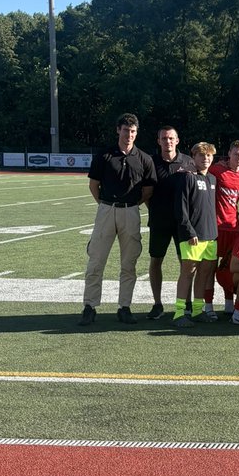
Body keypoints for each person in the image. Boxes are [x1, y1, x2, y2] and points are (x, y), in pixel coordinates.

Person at [79, 112, 156, 326]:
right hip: (106, 209)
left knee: (129, 263)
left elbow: (148, 189)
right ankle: (89, 306)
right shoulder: (104, 155)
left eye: (132, 131)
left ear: (137, 132)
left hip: (131, 211)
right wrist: (105, 205)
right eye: (125, 130)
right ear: (118, 130)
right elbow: (93, 185)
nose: (129, 135)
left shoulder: (144, 158)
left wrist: (131, 206)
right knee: (96, 260)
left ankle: (124, 306)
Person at [146, 124, 194, 320]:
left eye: (171, 138)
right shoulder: (150, 162)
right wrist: (157, 211)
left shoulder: (188, 162)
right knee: (156, 260)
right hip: (159, 221)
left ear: (177, 140)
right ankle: (157, 304)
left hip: (182, 223)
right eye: (164, 138)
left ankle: (186, 301)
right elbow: (147, 193)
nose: (168, 142)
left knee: (186, 263)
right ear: (158, 141)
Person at [172, 142, 219, 328]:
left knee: (204, 274)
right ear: (193, 157)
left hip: (210, 236)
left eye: (208, 156)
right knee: (187, 273)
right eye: (201, 155)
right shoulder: (187, 178)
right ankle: (179, 313)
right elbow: (180, 209)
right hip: (192, 236)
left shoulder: (213, 179)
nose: (205, 159)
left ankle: (198, 310)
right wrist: (189, 231)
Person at [210, 140, 239, 315]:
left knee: (228, 268)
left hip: (234, 227)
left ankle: (228, 303)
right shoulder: (217, 170)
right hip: (215, 227)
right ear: (229, 155)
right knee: (210, 267)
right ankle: (207, 306)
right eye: (236, 154)